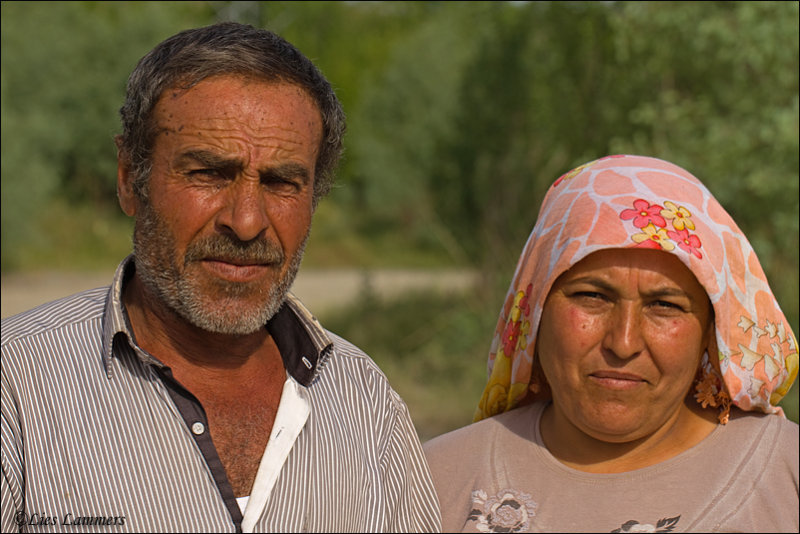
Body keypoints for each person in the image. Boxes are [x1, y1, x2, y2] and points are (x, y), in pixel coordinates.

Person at [1, 22, 441, 533]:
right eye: (209, 174)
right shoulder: (18, 387)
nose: (246, 221)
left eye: (281, 182)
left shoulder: (363, 400)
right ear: (129, 179)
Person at [424, 154, 798, 533]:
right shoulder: (433, 484)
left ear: (710, 332)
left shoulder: (787, 477)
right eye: (593, 297)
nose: (623, 343)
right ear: (535, 310)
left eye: (664, 305)